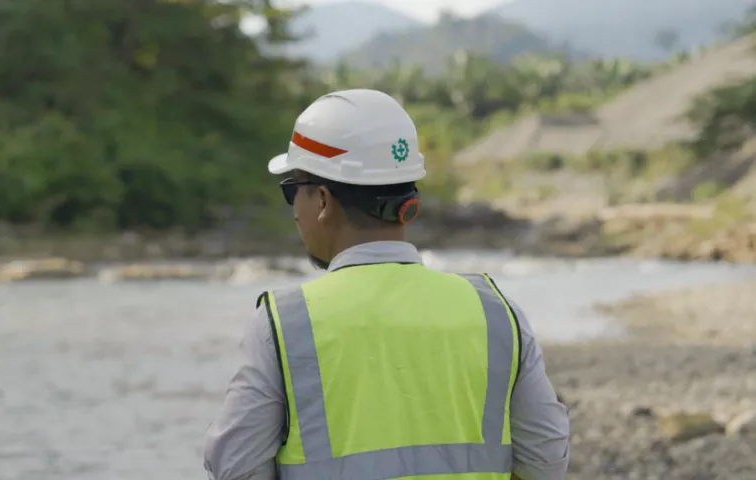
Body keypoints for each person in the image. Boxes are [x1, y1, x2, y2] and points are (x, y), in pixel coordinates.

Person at [202, 89, 570, 480]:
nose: (294, 210)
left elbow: (235, 468)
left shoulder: (285, 325)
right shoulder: (496, 313)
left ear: (323, 200)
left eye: (292, 189)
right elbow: (546, 460)